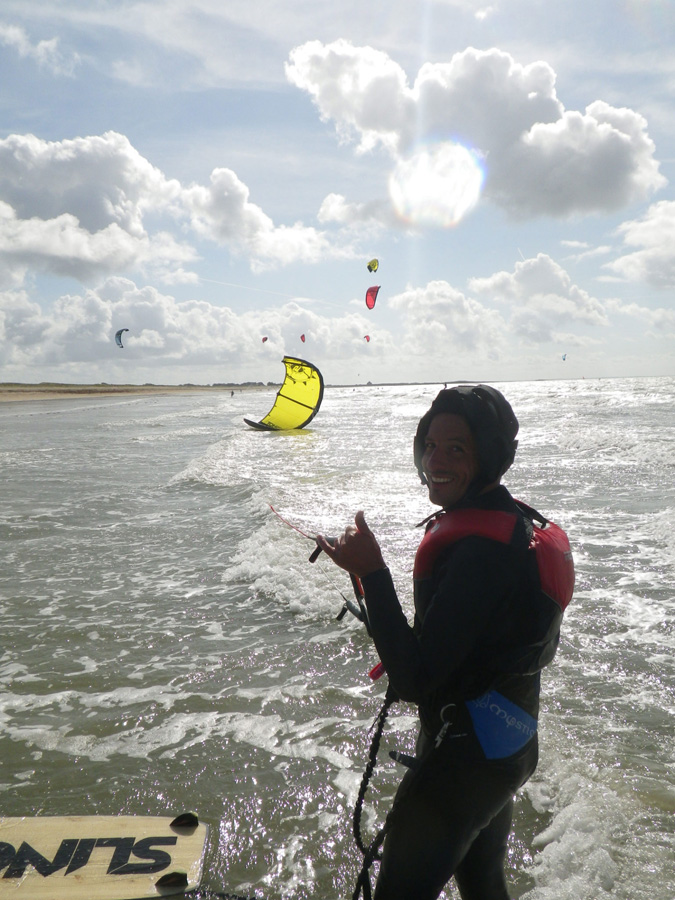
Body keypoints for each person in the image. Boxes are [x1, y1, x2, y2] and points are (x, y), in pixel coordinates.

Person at [316, 384, 574, 900]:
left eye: (457, 448)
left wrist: (374, 573)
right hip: (508, 747)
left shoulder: (481, 552)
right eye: (430, 445)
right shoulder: (510, 523)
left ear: (489, 456)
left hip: (465, 765)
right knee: (484, 889)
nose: (436, 459)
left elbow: (415, 678)